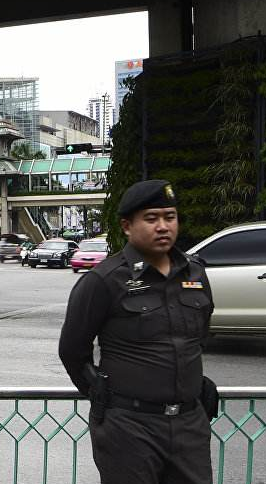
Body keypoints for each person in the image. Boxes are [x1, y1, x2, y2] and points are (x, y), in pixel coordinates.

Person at [58, 180, 216, 484]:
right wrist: (102, 395)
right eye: (151, 218)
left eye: (169, 217)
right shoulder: (104, 280)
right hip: (129, 428)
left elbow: (198, 338)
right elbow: (73, 351)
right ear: (127, 226)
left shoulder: (195, 273)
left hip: (189, 426)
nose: (163, 226)